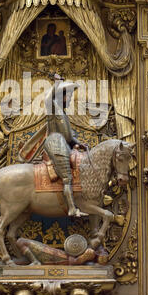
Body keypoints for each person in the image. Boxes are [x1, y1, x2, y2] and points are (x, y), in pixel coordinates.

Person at [43, 77, 88, 217]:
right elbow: (47, 100)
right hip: (56, 143)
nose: (69, 98)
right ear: (61, 96)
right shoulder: (54, 108)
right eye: (68, 95)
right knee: (67, 177)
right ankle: (72, 208)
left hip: (63, 142)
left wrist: (77, 143)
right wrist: (56, 84)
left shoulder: (63, 113)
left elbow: (67, 134)